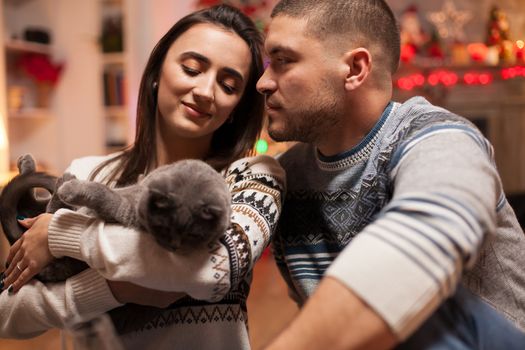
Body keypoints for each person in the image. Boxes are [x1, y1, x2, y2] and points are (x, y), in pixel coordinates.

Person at [0, 4, 284, 350]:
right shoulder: (87, 174)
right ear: (156, 73)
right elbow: (7, 310)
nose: (206, 91)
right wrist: (107, 289)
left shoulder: (252, 178)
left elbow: (212, 269)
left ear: (236, 108)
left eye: (228, 85)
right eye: (192, 68)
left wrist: (63, 234)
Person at [256, 0, 525, 349]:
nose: (263, 82)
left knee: (428, 301)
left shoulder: (438, 137)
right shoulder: (288, 175)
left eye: (283, 61)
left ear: (355, 68)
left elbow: (433, 232)